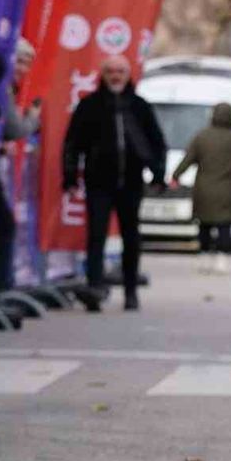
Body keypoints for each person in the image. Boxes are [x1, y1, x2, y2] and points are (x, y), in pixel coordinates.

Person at [62, 55, 167, 312]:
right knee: (96, 236)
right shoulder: (90, 105)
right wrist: (70, 175)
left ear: (128, 75)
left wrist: (158, 173)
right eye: (110, 71)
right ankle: (94, 288)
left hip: (131, 181)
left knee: (131, 237)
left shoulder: (139, 106)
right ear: (103, 74)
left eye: (120, 71)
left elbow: (156, 142)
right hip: (99, 181)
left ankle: (131, 290)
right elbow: (73, 143)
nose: (115, 76)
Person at [170, 102, 231, 275]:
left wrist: (175, 176)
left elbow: (188, 159)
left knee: (204, 225)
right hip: (228, 190)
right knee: (224, 227)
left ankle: (203, 258)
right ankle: (221, 260)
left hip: (203, 189)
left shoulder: (202, 137)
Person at [0, 39, 41, 301]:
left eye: (27, 63)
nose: (22, 68)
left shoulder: (8, 87)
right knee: (3, 225)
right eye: (19, 61)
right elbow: (14, 128)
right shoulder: (3, 87)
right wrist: (33, 117)